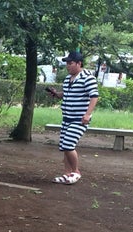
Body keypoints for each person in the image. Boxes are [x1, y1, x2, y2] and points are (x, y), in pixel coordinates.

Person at [46, 51, 99, 185]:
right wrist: (57, 94)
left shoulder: (87, 78)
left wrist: (87, 114)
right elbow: (68, 93)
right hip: (67, 118)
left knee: (69, 145)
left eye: (70, 63)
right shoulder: (68, 79)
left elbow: (94, 96)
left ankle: (76, 172)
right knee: (64, 147)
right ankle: (67, 174)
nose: (68, 66)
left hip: (79, 119)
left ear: (79, 63)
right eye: (67, 64)